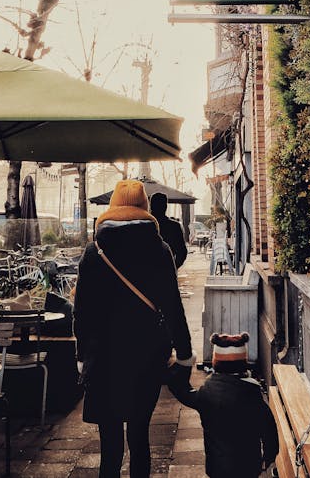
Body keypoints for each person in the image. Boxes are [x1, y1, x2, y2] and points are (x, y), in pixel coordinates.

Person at [73, 179, 194, 478]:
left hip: (102, 358)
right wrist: (185, 355)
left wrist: (80, 354)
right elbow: (172, 306)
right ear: (145, 208)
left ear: (113, 207)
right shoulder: (159, 249)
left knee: (109, 444)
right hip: (146, 356)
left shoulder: (94, 251)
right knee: (139, 436)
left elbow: (82, 312)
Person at [166, 331, 279, 478]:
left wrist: (180, 366)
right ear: (243, 365)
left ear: (216, 364)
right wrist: (269, 457)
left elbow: (182, 391)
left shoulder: (206, 393)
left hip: (217, 467)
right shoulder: (252, 393)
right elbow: (268, 427)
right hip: (248, 466)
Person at [149, 191, 188, 269]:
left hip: (146, 272)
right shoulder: (175, 227)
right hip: (167, 270)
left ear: (151, 206)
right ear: (165, 207)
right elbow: (182, 252)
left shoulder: (144, 225)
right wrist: (173, 267)